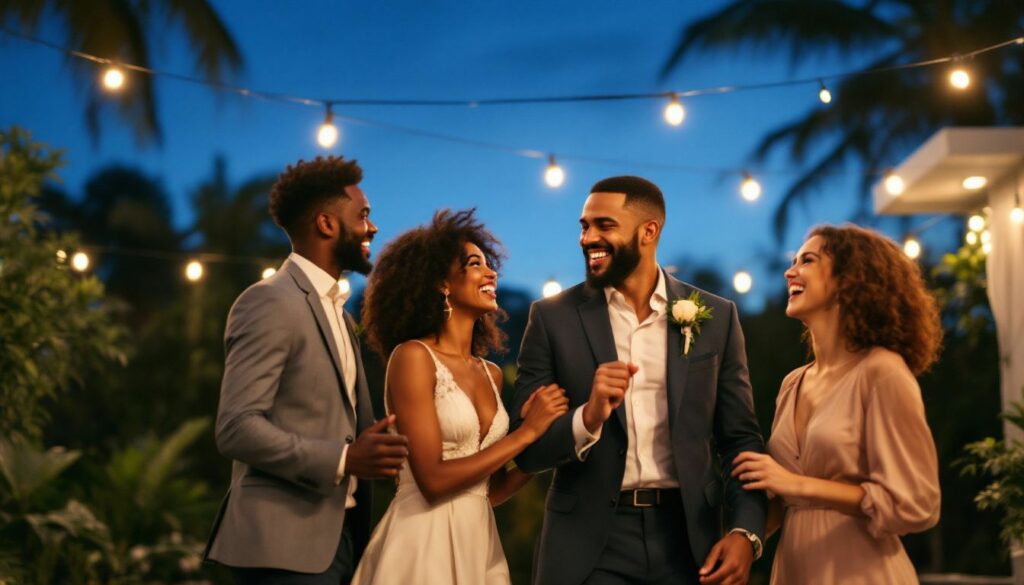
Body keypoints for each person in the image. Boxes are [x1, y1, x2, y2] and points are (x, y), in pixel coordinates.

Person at [512, 176, 768, 585]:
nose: (587, 238)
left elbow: (740, 441)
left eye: (604, 225)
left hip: (689, 540)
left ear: (649, 232)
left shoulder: (717, 318)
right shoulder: (551, 319)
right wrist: (588, 417)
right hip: (589, 546)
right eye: (583, 226)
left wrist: (745, 532)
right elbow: (527, 452)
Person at [204, 156, 409, 584]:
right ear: (326, 224)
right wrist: (344, 458)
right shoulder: (269, 301)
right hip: (281, 550)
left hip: (341, 539)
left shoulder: (338, 311)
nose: (372, 228)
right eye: (364, 215)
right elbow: (236, 427)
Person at [352, 209, 569, 585]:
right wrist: (525, 434)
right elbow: (433, 480)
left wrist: (553, 441)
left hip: (478, 544)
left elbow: (493, 490)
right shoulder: (414, 357)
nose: (491, 273)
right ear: (442, 283)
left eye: (489, 265)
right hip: (422, 542)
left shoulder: (492, 374)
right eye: (474, 264)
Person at [732, 224, 942, 583]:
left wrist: (797, 485)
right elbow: (782, 501)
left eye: (808, 261)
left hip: (861, 571)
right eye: (794, 261)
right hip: (794, 571)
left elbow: (917, 503)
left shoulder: (881, 371)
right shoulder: (792, 382)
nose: (790, 271)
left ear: (849, 280)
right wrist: (738, 542)